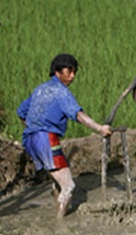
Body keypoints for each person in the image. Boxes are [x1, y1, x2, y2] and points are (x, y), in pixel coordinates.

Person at [17, 53, 112, 219]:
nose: (73, 76)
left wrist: (35, 127)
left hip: (30, 140)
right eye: (69, 71)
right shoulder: (61, 92)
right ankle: (60, 224)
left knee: (57, 179)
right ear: (57, 72)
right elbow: (78, 115)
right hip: (46, 139)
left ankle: (58, 205)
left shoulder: (40, 89)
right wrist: (100, 128)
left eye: (75, 72)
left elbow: (21, 112)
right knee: (68, 186)